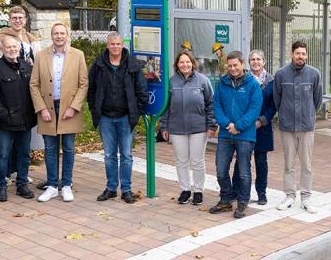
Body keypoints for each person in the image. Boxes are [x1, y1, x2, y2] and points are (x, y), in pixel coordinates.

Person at [87, 33, 148, 203]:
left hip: (125, 118)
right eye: (112, 44)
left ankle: (126, 190)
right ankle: (111, 188)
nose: (115, 47)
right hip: (106, 118)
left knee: (127, 155)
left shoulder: (132, 65)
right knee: (109, 155)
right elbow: (91, 90)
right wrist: (94, 109)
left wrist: (136, 111)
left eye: (118, 44)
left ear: (123, 45)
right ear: (107, 45)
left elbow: (142, 91)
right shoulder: (98, 65)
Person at [31, 21, 87, 203]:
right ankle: (53, 186)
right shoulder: (41, 56)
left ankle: (67, 185)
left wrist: (74, 107)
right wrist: (41, 108)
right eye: (56, 33)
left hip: (69, 109)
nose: (59, 36)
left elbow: (83, 84)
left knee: (69, 148)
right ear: (52, 36)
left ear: (67, 35)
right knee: (50, 148)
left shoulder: (78, 55)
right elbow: (34, 84)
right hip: (48, 108)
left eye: (62, 33)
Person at [272, 39, 323, 213]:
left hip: (307, 127)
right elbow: (277, 99)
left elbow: (317, 100)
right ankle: (289, 196)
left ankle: (306, 198)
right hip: (287, 127)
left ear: (306, 55)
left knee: (307, 164)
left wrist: (308, 114)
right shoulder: (280, 74)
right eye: (297, 53)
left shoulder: (314, 74)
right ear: (291, 54)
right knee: (288, 164)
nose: (300, 56)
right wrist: (286, 114)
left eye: (303, 53)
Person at [159, 50, 214, 206]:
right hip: (177, 129)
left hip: (199, 128)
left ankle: (198, 191)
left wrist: (212, 125)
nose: (185, 65)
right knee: (181, 160)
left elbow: (211, 104)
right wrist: (164, 126)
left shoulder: (203, 81)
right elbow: (166, 107)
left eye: (187, 62)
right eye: (181, 62)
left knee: (197, 161)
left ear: (192, 63)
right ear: (177, 65)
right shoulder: (171, 82)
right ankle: (185, 189)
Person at [0, 34, 37, 202]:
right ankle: (1, 185)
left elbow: (33, 92)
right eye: (8, 47)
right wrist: (4, 115)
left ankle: (22, 183)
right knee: (3, 155)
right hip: (6, 122)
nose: (12, 50)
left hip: (25, 121)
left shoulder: (27, 66)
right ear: (2, 49)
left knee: (24, 154)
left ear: (19, 48)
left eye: (15, 47)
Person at [211, 51, 262, 218]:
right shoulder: (222, 83)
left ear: (242, 64)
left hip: (245, 135)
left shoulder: (252, 85)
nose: (232, 68)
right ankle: (226, 199)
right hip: (226, 134)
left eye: (235, 65)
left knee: (243, 171)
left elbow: (254, 109)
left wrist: (239, 126)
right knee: (221, 169)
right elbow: (217, 106)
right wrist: (226, 124)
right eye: (230, 65)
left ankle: (242, 202)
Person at [248, 50, 276, 207]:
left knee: (261, 161)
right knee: (243, 161)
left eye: (258, 59)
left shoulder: (272, 81)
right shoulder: (245, 80)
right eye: (252, 59)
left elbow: (274, 105)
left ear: (264, 62)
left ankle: (261, 193)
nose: (255, 62)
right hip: (246, 127)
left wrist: (263, 120)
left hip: (263, 127)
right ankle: (241, 191)